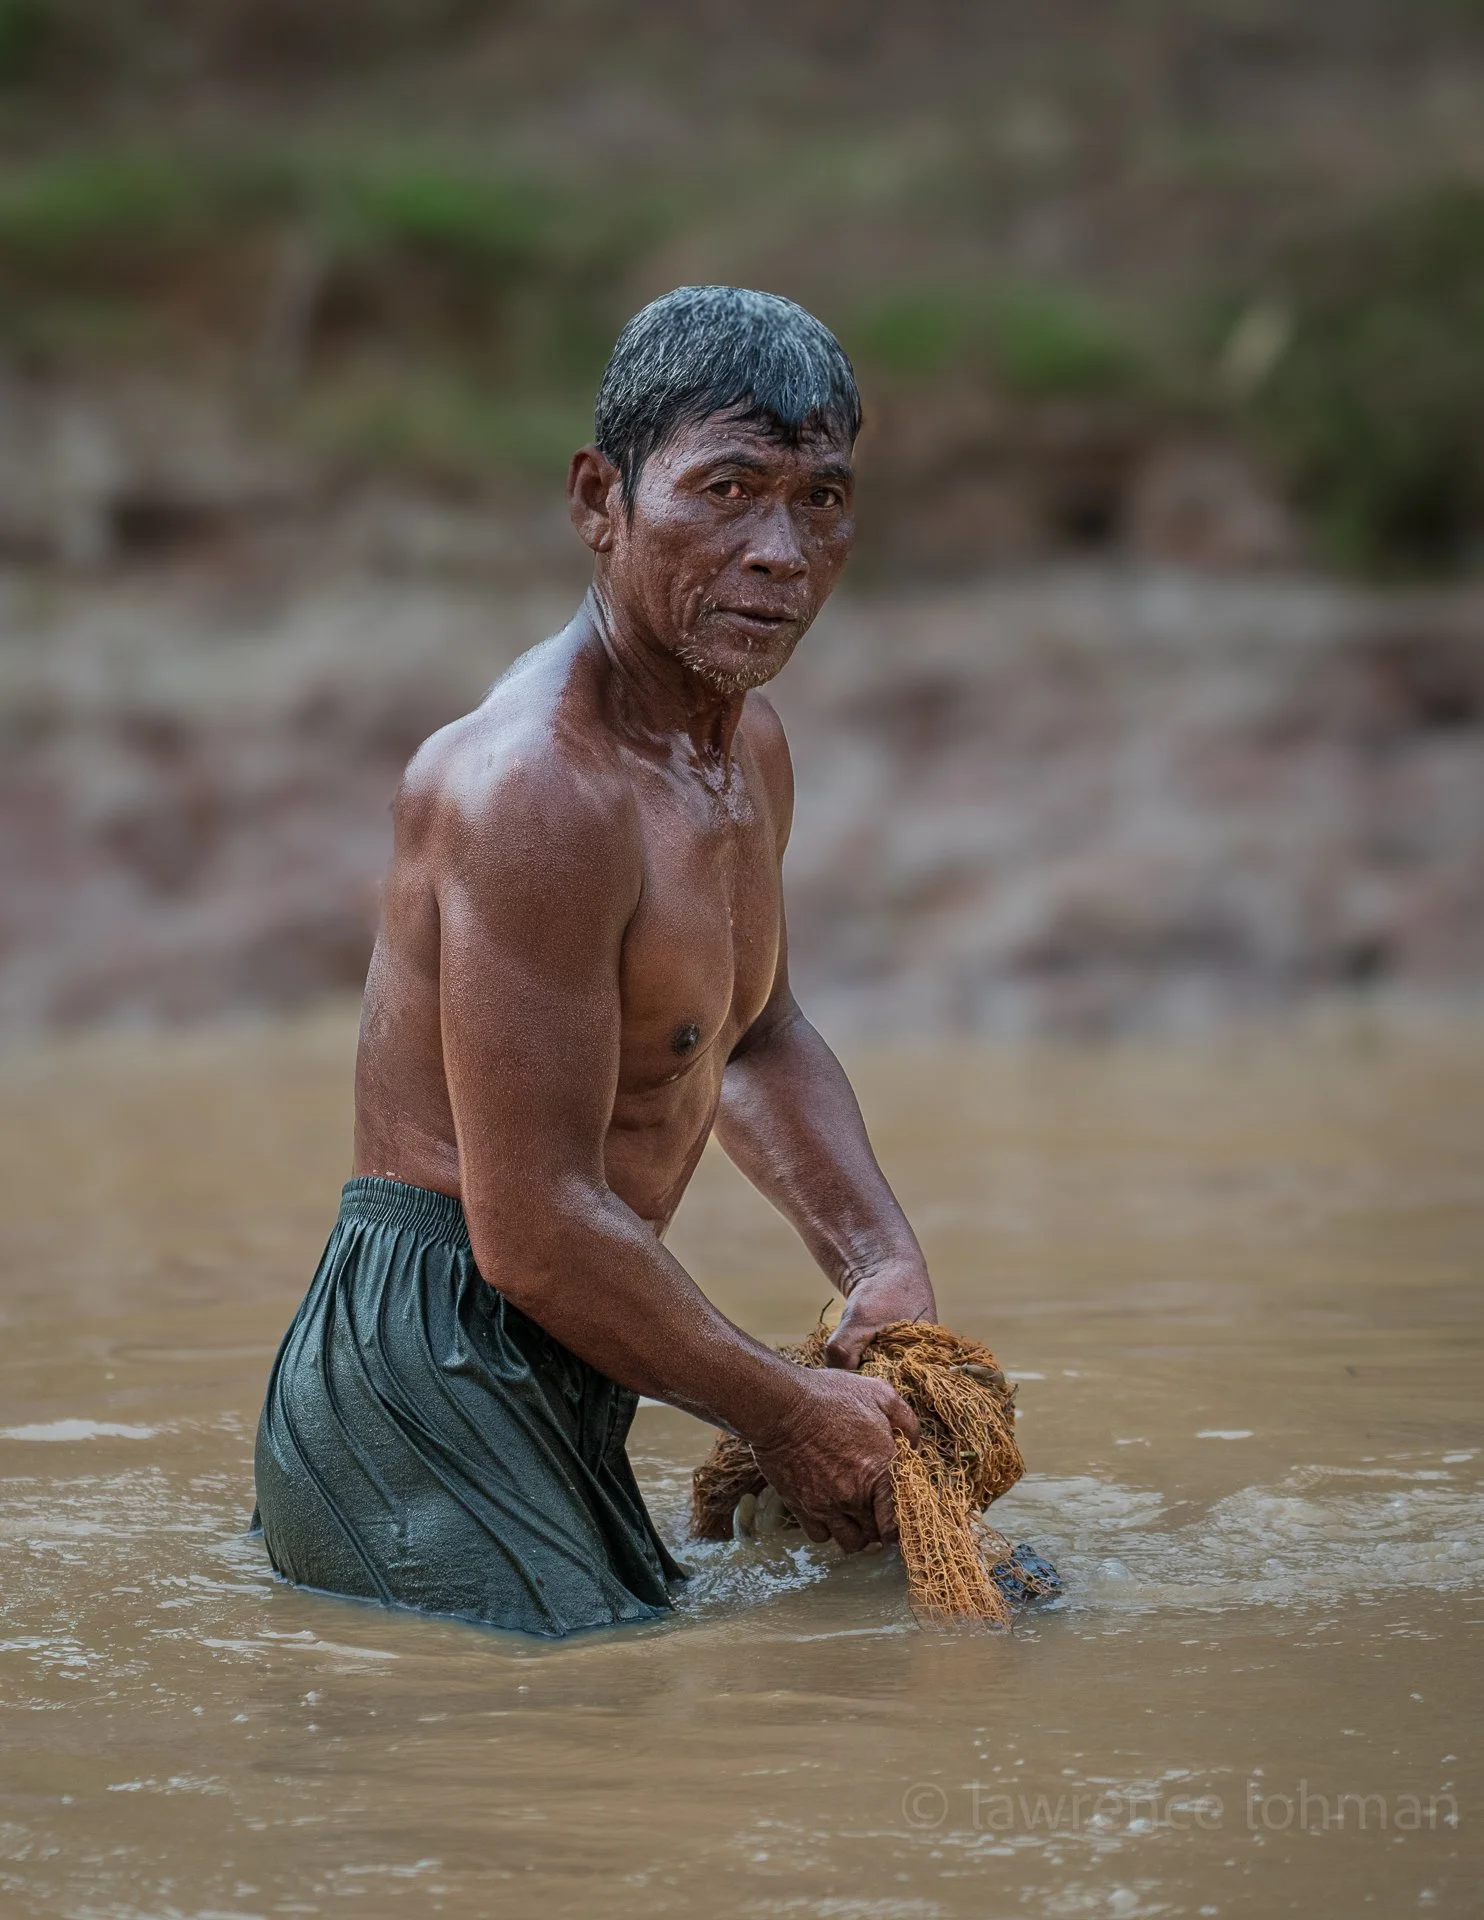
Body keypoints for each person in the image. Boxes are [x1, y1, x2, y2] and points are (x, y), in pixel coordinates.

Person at [253, 285, 938, 1637]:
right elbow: (533, 1230)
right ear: (598, 500)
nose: (779, 552)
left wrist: (880, 1263)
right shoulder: (536, 796)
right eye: (728, 490)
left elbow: (755, 1034)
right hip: (426, 1374)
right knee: (558, 1759)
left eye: (820, 500)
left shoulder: (746, 750)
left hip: (568, 1353)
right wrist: (791, 1412)